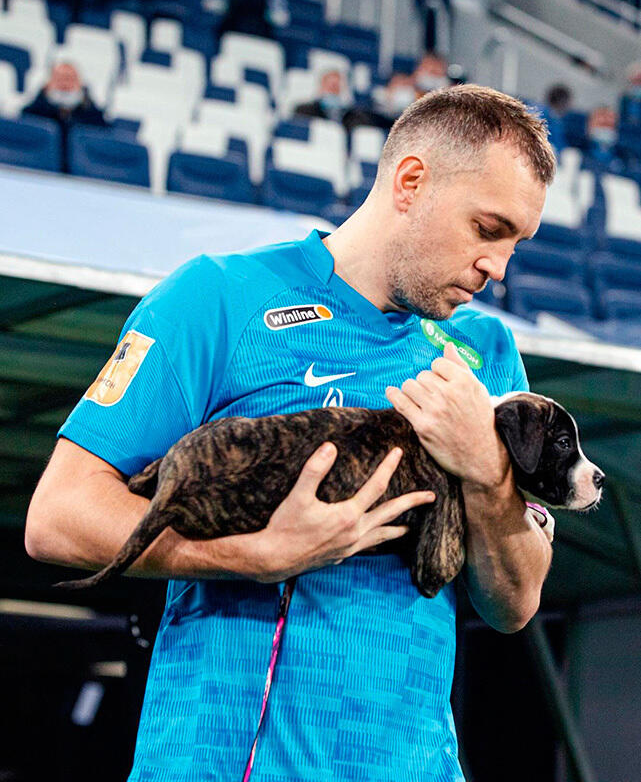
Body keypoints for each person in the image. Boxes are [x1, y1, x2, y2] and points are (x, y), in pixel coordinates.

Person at [26, 83, 555, 782]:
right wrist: (251, 553)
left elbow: (514, 604)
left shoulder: (485, 356)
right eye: (487, 230)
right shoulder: (217, 297)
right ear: (410, 181)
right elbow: (58, 516)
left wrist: (486, 472)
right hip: (218, 762)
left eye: (517, 244)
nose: (498, 269)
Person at [22, 62, 106, 172]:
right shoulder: (30, 114)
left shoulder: (96, 120)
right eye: (59, 79)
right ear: (48, 84)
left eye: (70, 79)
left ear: (80, 85)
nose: (65, 85)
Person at [294, 68, 374, 132]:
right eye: (330, 87)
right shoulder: (304, 111)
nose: (333, 92)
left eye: (336, 88)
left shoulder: (355, 118)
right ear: (320, 88)